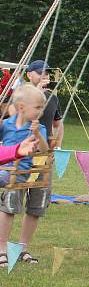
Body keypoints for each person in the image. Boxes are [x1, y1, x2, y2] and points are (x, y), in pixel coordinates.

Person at [0, 84, 49, 266]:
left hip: (30, 173)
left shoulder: (39, 128)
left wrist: (37, 134)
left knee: (35, 208)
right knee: (9, 206)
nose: (41, 111)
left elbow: (44, 150)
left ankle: (22, 247)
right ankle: (2, 249)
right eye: (37, 107)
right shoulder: (6, 125)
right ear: (21, 107)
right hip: (8, 171)